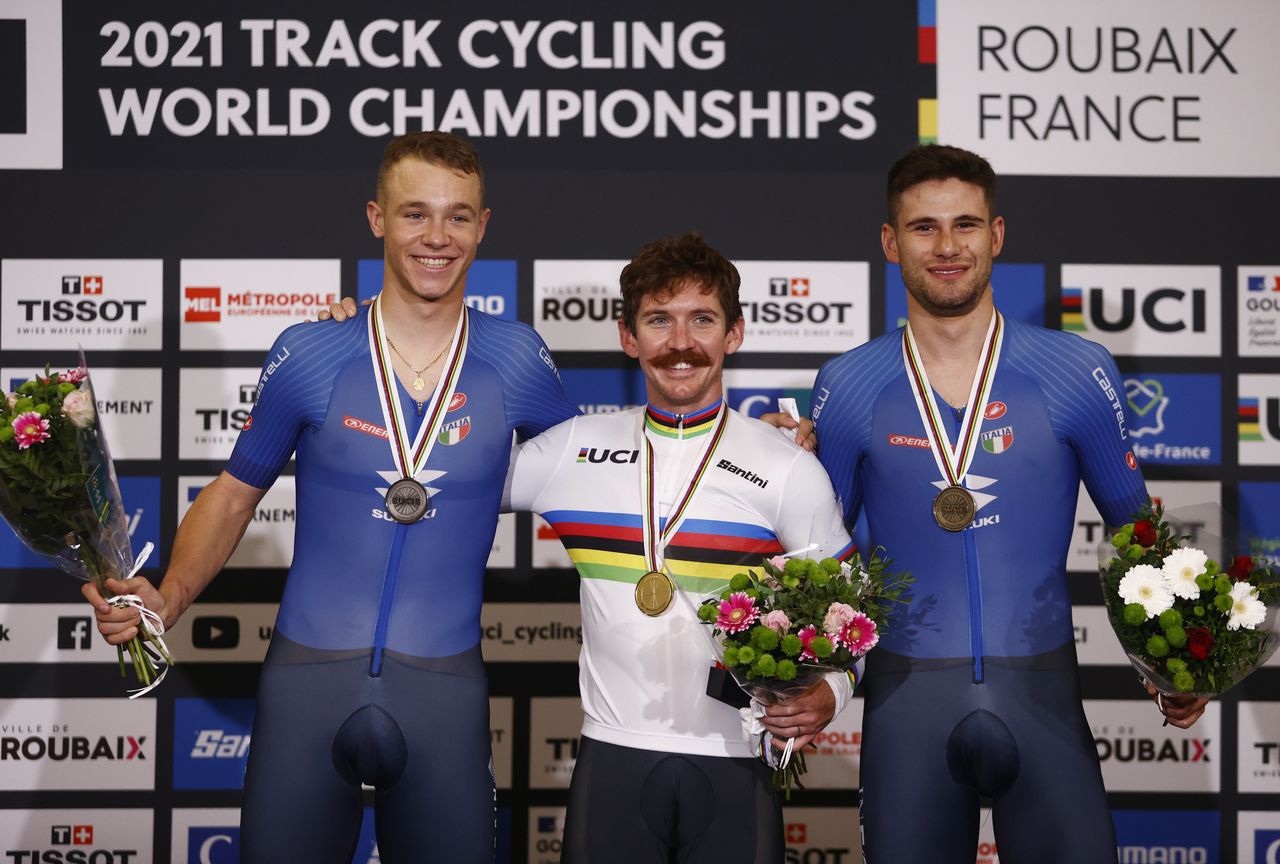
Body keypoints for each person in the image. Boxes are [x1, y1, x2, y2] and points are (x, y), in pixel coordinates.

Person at [83, 132, 579, 862]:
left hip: (443, 690)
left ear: (484, 224)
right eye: (415, 215)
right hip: (306, 686)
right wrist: (167, 598)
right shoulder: (312, 351)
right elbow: (232, 495)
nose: (437, 238)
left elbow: (601, 486)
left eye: (458, 216)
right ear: (377, 218)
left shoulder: (517, 358)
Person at [807, 144, 1209, 863]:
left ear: (996, 235)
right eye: (924, 227)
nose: (947, 246)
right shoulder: (849, 385)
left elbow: (1139, 535)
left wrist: (1176, 660)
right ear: (890, 243)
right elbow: (819, 562)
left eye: (965, 224)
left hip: (1044, 696)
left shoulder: (1075, 372)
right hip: (907, 708)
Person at [505, 232, 857, 862]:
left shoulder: (787, 466)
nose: (681, 343)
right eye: (659, 320)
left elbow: (851, 611)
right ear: (627, 336)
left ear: (735, 333)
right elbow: (436, 485)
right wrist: (372, 339)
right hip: (611, 757)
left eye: (702, 319)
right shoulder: (570, 448)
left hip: (737, 762)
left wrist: (831, 690)